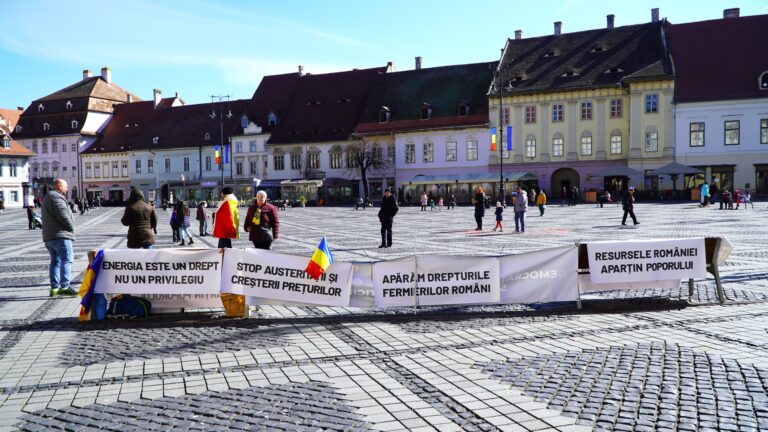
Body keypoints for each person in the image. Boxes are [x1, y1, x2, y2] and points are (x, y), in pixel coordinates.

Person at [41, 178, 76, 297]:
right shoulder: (56, 197)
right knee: (67, 259)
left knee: (55, 261)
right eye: (66, 187)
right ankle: (65, 286)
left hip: (50, 236)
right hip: (60, 235)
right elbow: (62, 214)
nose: (67, 189)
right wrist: (71, 227)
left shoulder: (47, 196)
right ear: (60, 186)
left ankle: (54, 288)